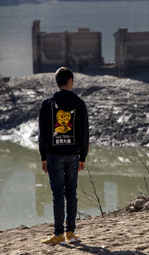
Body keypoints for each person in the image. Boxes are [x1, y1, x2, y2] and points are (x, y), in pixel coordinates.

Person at [39, 67, 89, 246]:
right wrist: (82, 156)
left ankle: (58, 234)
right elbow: (84, 133)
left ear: (57, 81)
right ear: (70, 81)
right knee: (71, 193)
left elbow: (43, 133)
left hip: (53, 155)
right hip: (73, 154)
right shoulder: (80, 103)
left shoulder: (46, 103)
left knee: (58, 194)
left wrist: (43, 157)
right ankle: (71, 233)